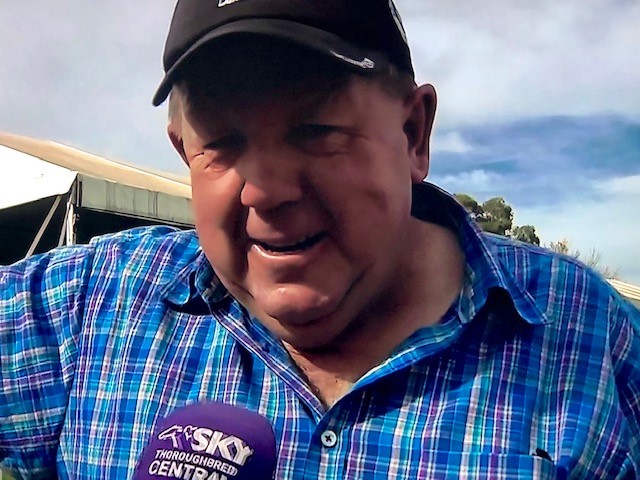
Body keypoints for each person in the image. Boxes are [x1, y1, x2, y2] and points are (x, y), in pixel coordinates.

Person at [1, 0, 639, 478]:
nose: (265, 190)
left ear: (414, 135)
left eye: (315, 130)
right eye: (220, 143)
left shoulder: (586, 335)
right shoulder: (90, 304)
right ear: (183, 152)